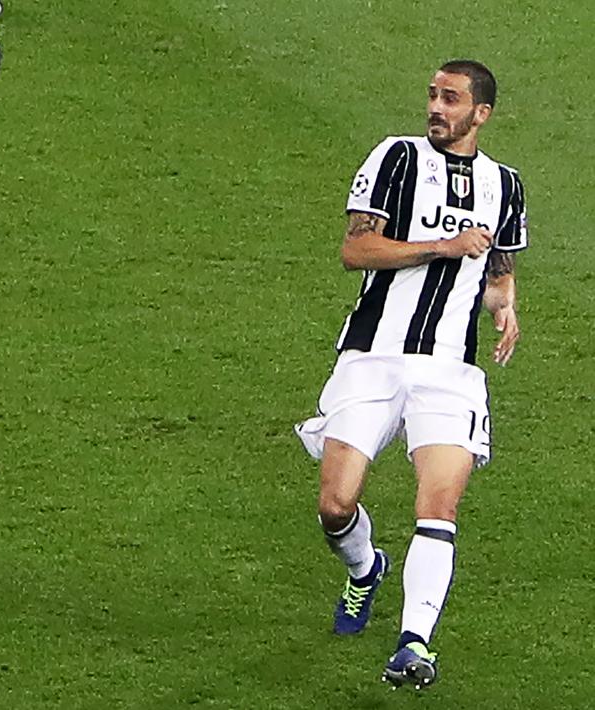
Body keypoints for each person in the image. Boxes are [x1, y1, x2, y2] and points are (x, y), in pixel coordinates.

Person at [294, 60, 526, 689]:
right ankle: (366, 569)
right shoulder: (394, 159)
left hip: (451, 370)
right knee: (335, 503)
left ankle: (413, 643)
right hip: (372, 357)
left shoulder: (506, 184)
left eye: (450, 98)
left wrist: (504, 301)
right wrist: (440, 247)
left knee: (439, 504)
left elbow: (497, 262)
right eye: (432, 95)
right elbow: (356, 250)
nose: (435, 106)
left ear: (480, 114)